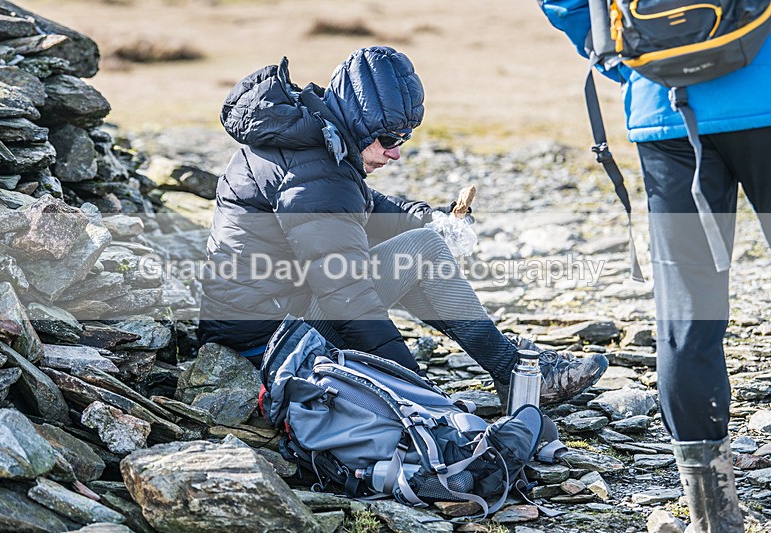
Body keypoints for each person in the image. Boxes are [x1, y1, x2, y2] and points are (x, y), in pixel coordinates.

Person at [197, 46, 608, 411]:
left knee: (422, 243)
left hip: (261, 319)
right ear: (358, 122)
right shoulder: (314, 169)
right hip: (267, 344)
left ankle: (511, 367)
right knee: (423, 253)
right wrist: (421, 393)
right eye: (387, 138)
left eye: (404, 138)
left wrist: (430, 218)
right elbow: (349, 300)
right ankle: (512, 370)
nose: (394, 152)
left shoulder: (308, 138)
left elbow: (366, 206)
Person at [537, 2, 771, 531]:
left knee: (688, 314)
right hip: (766, 89)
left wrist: (634, 59)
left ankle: (713, 515)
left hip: (663, 106)